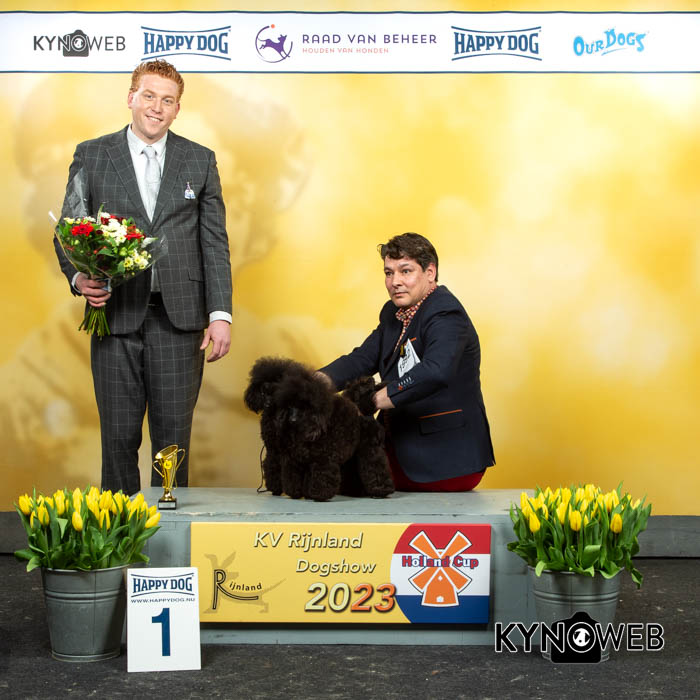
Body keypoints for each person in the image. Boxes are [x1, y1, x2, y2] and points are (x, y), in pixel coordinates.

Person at [54, 60, 233, 495]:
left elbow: (214, 242)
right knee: (118, 439)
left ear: (177, 109)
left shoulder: (200, 159)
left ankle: (166, 533)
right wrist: (79, 279)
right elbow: (68, 228)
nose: (157, 107)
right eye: (149, 96)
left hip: (180, 321)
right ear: (131, 98)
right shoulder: (93, 154)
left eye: (168, 100)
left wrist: (220, 314)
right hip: (115, 316)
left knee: (172, 442)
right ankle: (119, 532)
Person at [318, 233, 494, 491]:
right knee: (321, 469)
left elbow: (435, 372)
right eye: (389, 273)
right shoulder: (393, 313)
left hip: (444, 459)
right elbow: (362, 358)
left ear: (430, 273)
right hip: (395, 445)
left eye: (405, 271)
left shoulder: (447, 313)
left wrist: (370, 401)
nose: (395, 282)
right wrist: (312, 384)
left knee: (333, 479)